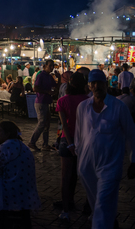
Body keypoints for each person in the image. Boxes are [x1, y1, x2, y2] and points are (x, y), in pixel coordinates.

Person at [75, 69, 135, 229]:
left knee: (102, 206)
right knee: (98, 203)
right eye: (93, 83)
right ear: (89, 86)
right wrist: (79, 158)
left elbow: (131, 133)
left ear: (106, 84)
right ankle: (110, 220)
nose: (96, 86)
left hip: (110, 165)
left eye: (99, 83)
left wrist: (133, 159)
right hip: (87, 167)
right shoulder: (83, 107)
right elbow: (79, 135)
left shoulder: (118, 107)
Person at [0, 121, 41, 229]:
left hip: (11, 189)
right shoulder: (21, 145)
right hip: (27, 189)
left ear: (7, 134)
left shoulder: (4, 147)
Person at [55, 72, 89, 221]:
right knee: (81, 175)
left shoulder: (62, 101)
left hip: (67, 141)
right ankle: (81, 203)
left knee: (65, 177)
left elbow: (64, 125)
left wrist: (70, 143)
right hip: (84, 140)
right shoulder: (87, 100)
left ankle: (65, 209)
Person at [28, 59, 56, 151]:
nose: (52, 67)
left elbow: (55, 86)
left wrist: (59, 78)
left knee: (47, 124)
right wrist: (47, 91)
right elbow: (35, 88)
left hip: (46, 102)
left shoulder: (49, 76)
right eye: (50, 66)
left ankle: (45, 144)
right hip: (40, 102)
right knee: (42, 123)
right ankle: (32, 142)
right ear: (45, 66)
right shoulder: (41, 76)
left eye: (53, 66)